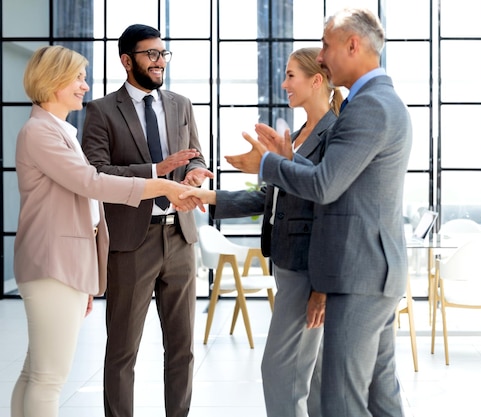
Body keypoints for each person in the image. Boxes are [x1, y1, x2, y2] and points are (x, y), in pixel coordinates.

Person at [216, 8, 412, 417]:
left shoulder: (369, 107)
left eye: (326, 45)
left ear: (352, 45)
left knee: (340, 401)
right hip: (371, 272)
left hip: (358, 272)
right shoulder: (376, 102)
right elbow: (337, 180)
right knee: (380, 397)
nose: (321, 56)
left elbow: (324, 187)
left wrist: (268, 165)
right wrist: (288, 161)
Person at [10, 45, 200, 417]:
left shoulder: (56, 129)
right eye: (78, 78)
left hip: (147, 243)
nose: (84, 85)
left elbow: (87, 193)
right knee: (50, 378)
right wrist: (160, 181)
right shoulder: (43, 133)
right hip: (61, 261)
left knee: (36, 372)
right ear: (54, 82)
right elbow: (92, 181)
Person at [181, 47, 343, 417]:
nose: (284, 83)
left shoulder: (334, 134)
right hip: (288, 264)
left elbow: (332, 209)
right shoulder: (301, 133)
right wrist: (209, 196)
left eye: (291, 76)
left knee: (280, 372)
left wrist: (322, 286)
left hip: (309, 269)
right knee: (312, 376)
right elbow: (268, 198)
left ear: (316, 80)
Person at [81, 24, 212, 417]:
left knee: (183, 348)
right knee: (122, 350)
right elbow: (96, 173)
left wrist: (193, 172)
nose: (159, 62)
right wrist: (155, 170)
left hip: (180, 239)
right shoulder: (101, 111)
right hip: (130, 243)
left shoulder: (180, 103)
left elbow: (195, 156)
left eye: (162, 54)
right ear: (127, 60)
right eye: (150, 54)